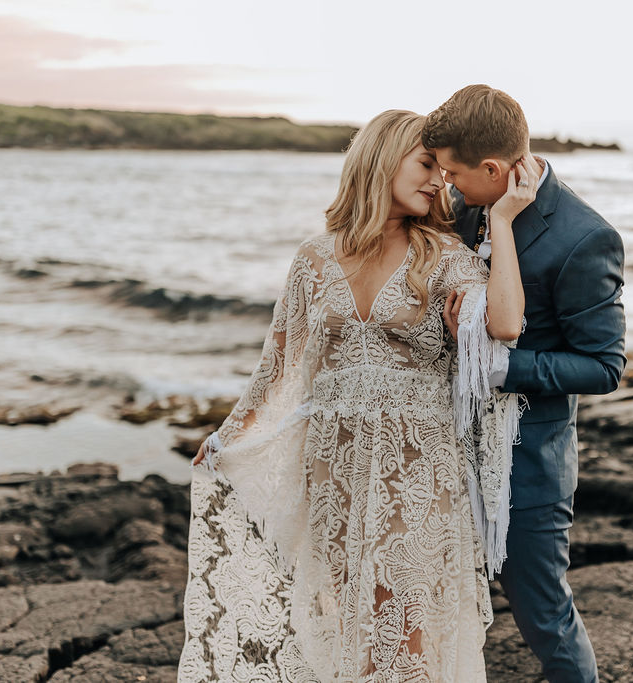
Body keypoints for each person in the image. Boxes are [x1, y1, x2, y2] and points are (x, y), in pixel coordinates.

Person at [178, 109, 537, 682]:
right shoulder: (313, 260)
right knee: (348, 629)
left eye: (443, 173)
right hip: (332, 469)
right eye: (425, 165)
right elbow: (277, 369)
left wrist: (504, 220)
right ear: (380, 159)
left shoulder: (442, 257)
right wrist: (228, 436)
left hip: (416, 470)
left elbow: (507, 323)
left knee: (405, 632)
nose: (437, 181)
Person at [423, 84, 627, 683]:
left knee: (545, 620)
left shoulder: (584, 238)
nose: (446, 185)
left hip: (528, 465)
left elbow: (604, 366)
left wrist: (500, 367)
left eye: (455, 173)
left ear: (492, 168)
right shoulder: (459, 211)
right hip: (440, 450)